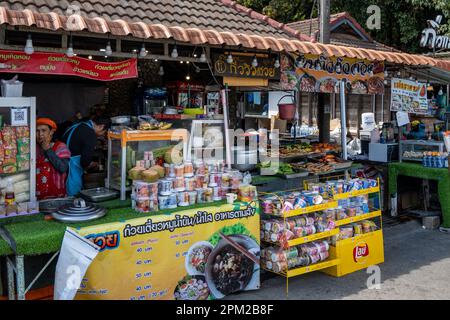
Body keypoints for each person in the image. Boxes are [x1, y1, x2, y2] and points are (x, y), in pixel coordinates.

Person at [62, 117, 110, 196]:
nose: (102, 135)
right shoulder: (90, 133)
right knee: (73, 197)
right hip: (72, 168)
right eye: (104, 132)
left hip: (62, 164)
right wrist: (93, 164)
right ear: (101, 126)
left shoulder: (77, 126)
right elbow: (85, 161)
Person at [36, 118, 71, 200]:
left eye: (44, 130)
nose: (40, 134)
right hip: (37, 198)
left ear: (51, 132)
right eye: (37, 131)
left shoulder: (61, 147)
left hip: (57, 197)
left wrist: (48, 149)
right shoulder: (34, 148)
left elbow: (62, 168)